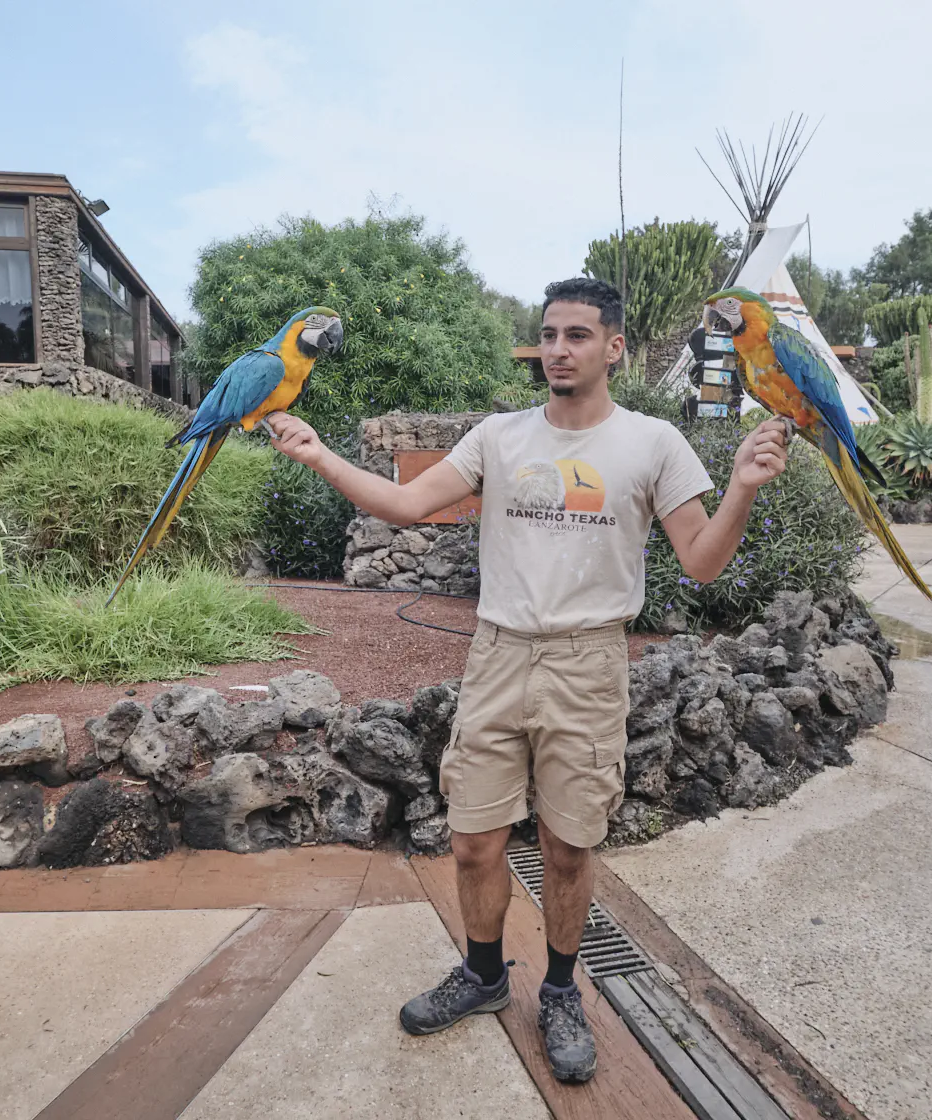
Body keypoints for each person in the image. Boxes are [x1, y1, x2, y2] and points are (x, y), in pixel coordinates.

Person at [264, 278, 790, 1084]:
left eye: (577, 336)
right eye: (548, 335)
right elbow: (406, 505)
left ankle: (558, 990)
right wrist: (320, 454)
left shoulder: (653, 443)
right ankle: (481, 976)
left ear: (613, 347)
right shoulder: (499, 438)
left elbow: (702, 560)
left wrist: (744, 491)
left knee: (569, 847)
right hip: (499, 653)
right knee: (474, 839)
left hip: (588, 662)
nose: (557, 350)